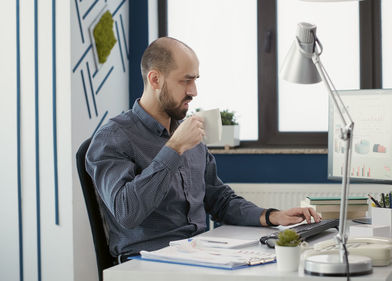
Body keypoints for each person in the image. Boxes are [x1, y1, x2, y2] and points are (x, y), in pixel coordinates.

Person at [86, 37, 321, 260]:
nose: (194, 91)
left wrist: (272, 216)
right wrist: (174, 147)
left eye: (195, 80)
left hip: (199, 254)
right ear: (155, 80)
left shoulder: (188, 132)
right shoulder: (113, 138)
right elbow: (126, 212)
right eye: (185, 80)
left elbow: (219, 199)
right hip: (148, 262)